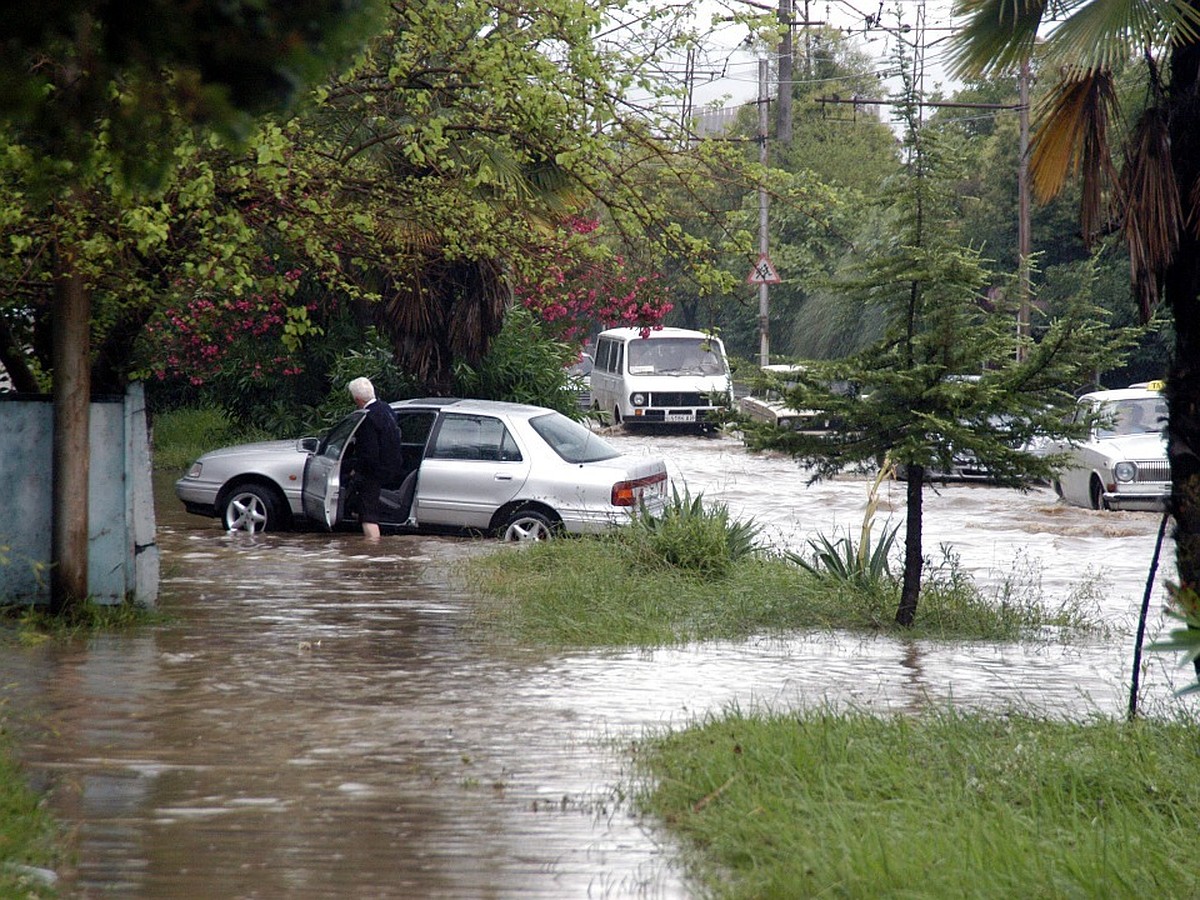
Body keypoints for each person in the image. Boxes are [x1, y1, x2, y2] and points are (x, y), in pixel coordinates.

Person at [347, 377, 403, 539]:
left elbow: (368, 453)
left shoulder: (367, 418)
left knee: (368, 516)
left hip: (374, 473)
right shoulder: (386, 409)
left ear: (357, 399)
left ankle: (372, 552)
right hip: (393, 467)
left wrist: (355, 470)